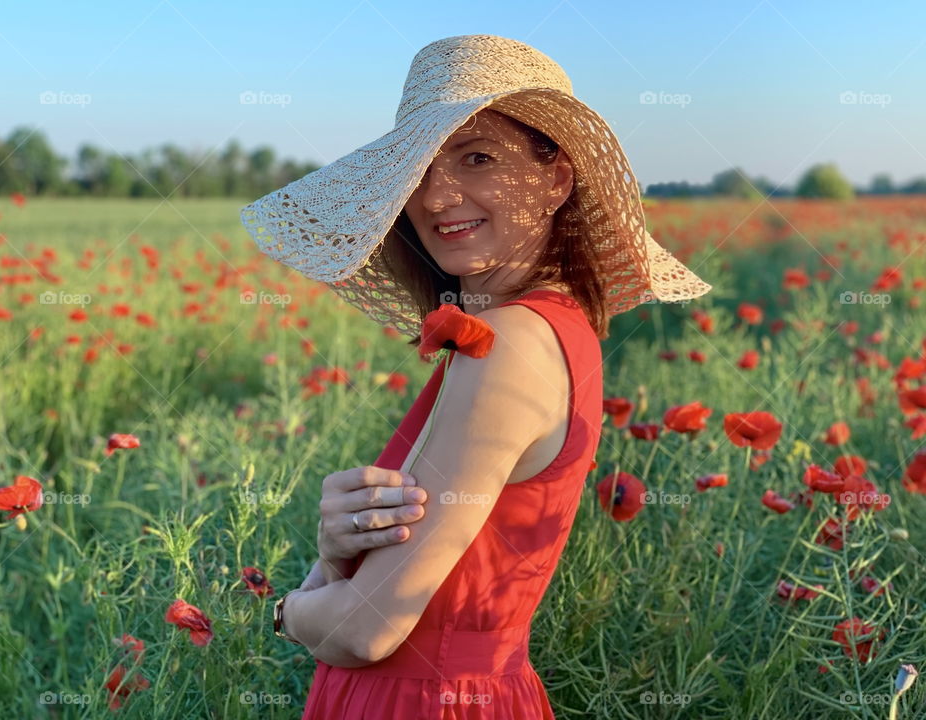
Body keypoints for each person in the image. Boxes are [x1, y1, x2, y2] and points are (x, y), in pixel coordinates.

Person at [241, 33, 712, 719]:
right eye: (421, 168)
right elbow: (389, 590)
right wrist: (333, 560)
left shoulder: (511, 344)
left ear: (555, 180)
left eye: (477, 157)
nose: (436, 197)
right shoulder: (547, 327)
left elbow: (369, 627)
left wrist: (286, 611)